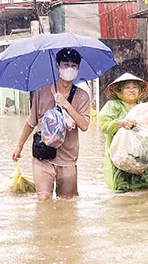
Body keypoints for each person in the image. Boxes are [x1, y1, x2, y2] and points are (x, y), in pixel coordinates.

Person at [11, 48, 91, 200]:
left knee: (67, 203)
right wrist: (19, 146)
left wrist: (66, 105)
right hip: (43, 155)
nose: (69, 69)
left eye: (73, 66)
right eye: (65, 64)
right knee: (44, 200)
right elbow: (31, 123)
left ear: (78, 69)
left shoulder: (82, 96)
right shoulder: (41, 92)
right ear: (57, 66)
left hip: (68, 159)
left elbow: (84, 125)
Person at [98, 73, 148, 192]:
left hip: (141, 155)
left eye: (135, 87)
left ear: (140, 90)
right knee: (122, 188)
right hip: (119, 154)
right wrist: (119, 123)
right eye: (127, 87)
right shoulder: (113, 106)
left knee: (142, 188)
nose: (131, 90)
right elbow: (103, 124)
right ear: (120, 90)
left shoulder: (143, 107)